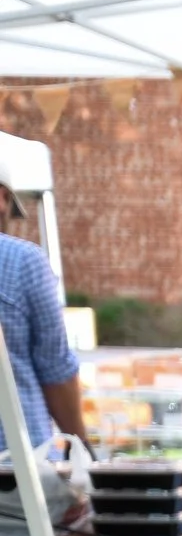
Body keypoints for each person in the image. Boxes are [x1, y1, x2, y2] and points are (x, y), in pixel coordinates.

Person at [0, 172, 82, 452]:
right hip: (19, 468)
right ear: (2, 198)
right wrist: (81, 452)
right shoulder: (23, 261)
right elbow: (56, 372)